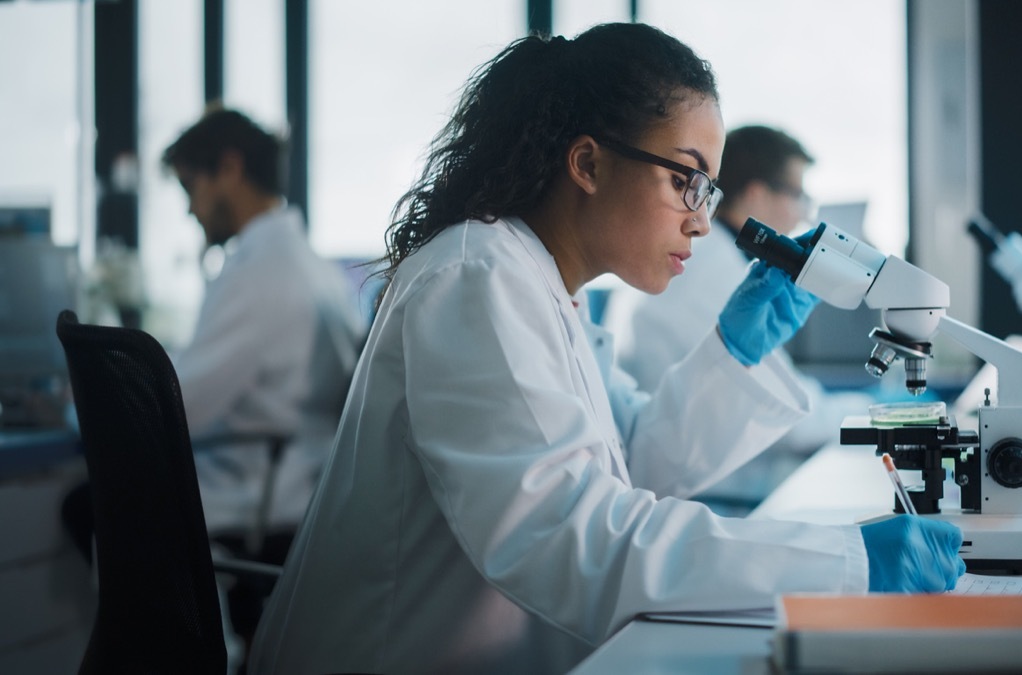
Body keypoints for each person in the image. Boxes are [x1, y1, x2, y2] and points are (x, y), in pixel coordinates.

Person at [249, 24, 965, 675]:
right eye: (686, 180)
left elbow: (630, 465)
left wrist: (733, 352)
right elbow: (568, 536)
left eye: (709, 192)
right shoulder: (477, 275)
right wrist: (841, 559)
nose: (700, 221)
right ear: (588, 163)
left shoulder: (549, 287)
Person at [603, 125, 874, 506]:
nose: (803, 212)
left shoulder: (714, 257)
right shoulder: (708, 263)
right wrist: (876, 412)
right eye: (797, 195)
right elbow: (794, 425)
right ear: (757, 194)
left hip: (689, 465)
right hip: (713, 489)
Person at [160, 108, 365, 539]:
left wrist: (74, 406)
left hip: (253, 498)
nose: (189, 209)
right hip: (304, 486)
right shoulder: (313, 265)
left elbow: (176, 406)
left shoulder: (256, 272)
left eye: (190, 186)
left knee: (87, 504)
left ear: (230, 169)